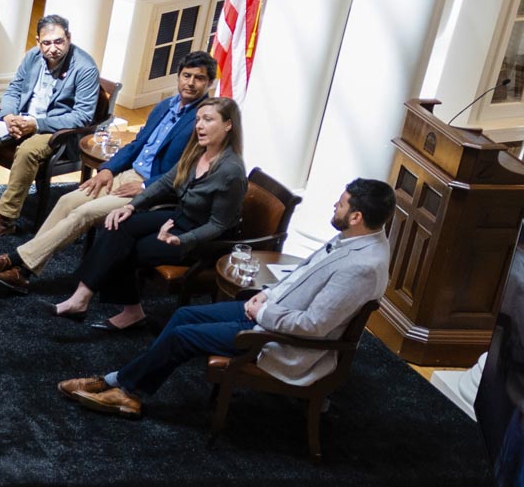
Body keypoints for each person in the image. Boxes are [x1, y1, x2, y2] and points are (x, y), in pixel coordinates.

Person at [60, 178, 394, 419]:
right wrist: (265, 294)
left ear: (356, 217)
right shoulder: (353, 239)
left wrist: (263, 312)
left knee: (182, 336)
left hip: (281, 339)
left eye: (342, 203)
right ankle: (126, 384)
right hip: (269, 309)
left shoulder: (362, 266)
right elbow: (303, 278)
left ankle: (121, 388)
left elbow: (315, 325)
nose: (335, 205)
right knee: (184, 317)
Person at [0, 53, 217, 293]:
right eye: (186, 75)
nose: (190, 83)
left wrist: (146, 187)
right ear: (178, 77)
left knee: (84, 213)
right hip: (126, 174)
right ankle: (22, 269)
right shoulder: (165, 106)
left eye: (199, 78)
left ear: (209, 84)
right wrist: (107, 169)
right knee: (67, 200)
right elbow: (137, 144)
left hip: (154, 191)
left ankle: (17, 264)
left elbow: (191, 170)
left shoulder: (204, 120)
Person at [50, 97, 246, 329]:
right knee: (117, 224)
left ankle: (126, 310)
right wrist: (131, 206)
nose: (199, 126)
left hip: (199, 239)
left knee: (125, 247)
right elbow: (165, 183)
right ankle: (81, 298)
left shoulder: (231, 171)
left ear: (228, 125)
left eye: (208, 119)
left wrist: (180, 240)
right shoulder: (197, 152)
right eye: (198, 119)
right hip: (179, 218)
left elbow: (217, 226)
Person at [0, 14, 105, 239]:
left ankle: (5, 218)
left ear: (69, 38)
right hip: (22, 119)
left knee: (27, 151)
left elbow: (82, 117)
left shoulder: (85, 68)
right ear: (38, 41)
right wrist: (8, 116)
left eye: (58, 41)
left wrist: (36, 124)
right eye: (46, 43)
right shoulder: (33, 56)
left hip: (55, 130)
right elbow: (14, 89)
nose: (52, 48)